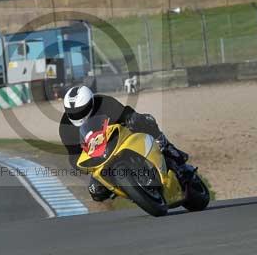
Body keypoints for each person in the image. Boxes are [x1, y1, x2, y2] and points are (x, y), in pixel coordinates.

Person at [59, 85, 192, 202]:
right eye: (73, 113)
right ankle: (132, 192)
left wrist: (131, 119)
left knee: (144, 120)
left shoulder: (103, 102)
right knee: (96, 192)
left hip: (120, 139)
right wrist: (82, 167)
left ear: (91, 103)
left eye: (81, 110)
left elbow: (126, 113)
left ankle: (166, 145)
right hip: (99, 158)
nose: (77, 115)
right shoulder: (65, 127)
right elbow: (73, 156)